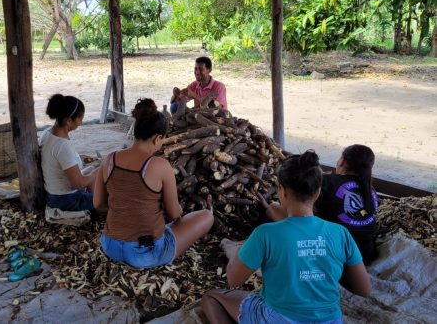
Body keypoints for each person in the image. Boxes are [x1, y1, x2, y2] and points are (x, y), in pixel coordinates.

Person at [202, 150, 371, 324]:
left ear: (281, 191)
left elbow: (233, 280)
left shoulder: (265, 234)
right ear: (318, 192)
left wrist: (237, 254)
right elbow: (364, 289)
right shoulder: (340, 233)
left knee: (212, 297)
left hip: (278, 319)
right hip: (331, 320)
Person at [93, 98, 214, 268]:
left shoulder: (110, 160)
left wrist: (125, 209)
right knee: (206, 217)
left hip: (110, 245)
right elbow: (174, 214)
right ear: (157, 138)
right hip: (144, 254)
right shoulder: (159, 166)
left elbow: (98, 204)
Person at [262, 145, 379, 264]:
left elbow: (300, 210)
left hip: (333, 254)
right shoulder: (371, 190)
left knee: (273, 208)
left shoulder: (327, 181)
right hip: (366, 254)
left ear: (342, 161)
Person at [40, 94, 96, 212]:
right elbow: (79, 183)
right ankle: (96, 205)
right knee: (112, 201)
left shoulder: (47, 133)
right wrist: (101, 170)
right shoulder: (63, 145)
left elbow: (56, 159)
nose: (81, 123)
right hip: (65, 199)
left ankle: (94, 200)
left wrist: (78, 158)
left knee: (90, 169)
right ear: (69, 120)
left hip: (54, 193)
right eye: (80, 119)